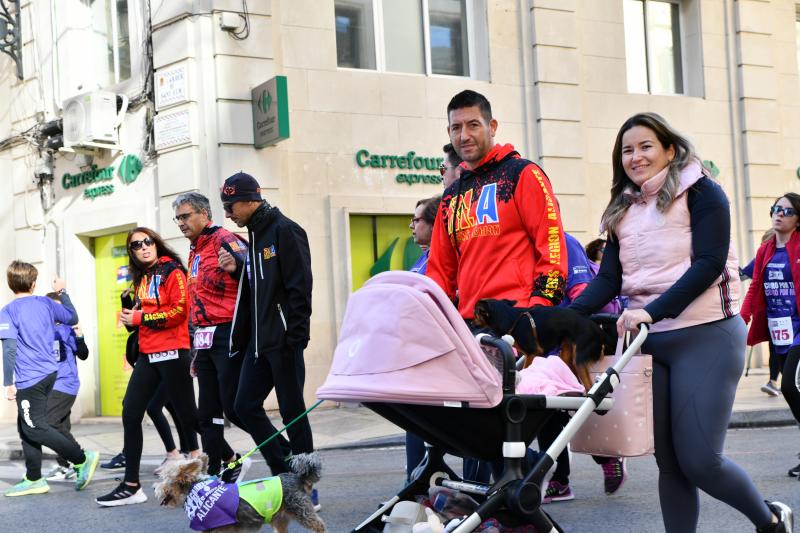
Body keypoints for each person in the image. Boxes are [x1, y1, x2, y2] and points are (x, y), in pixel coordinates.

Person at [570, 112, 792, 532]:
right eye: (627, 150)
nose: (635, 157)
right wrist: (562, 317)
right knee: (669, 465)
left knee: (700, 461)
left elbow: (709, 263)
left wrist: (652, 311)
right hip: (649, 344)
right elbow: (608, 281)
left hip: (706, 335)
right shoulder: (622, 209)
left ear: (670, 150)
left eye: (645, 146)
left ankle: (771, 521)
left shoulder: (704, 192)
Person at [427, 89, 568, 321]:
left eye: (473, 125)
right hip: (469, 324)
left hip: (518, 321)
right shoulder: (450, 196)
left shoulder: (523, 174)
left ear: (492, 126)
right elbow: (440, 271)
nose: (464, 136)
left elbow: (552, 248)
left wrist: (538, 311)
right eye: (456, 128)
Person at [219, 172, 317, 506]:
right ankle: (285, 469)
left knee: (292, 412)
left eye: (230, 206)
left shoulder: (284, 230)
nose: (228, 213)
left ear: (249, 200)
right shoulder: (254, 236)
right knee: (242, 406)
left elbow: (300, 287)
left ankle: (305, 487)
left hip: (284, 341)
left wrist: (296, 336)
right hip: (258, 344)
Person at [96, 228, 201, 507]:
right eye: (136, 245)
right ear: (131, 252)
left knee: (189, 417)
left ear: (157, 243)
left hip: (172, 352)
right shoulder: (141, 278)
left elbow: (180, 311)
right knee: (131, 412)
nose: (143, 247)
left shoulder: (173, 272)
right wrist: (132, 317)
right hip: (148, 354)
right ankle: (131, 485)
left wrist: (141, 317)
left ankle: (229, 459)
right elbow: (143, 316)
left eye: (147, 242)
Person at [538, 233, 627, 503]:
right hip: (543, 343)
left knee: (580, 405)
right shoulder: (520, 245)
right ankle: (559, 480)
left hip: (570, 339)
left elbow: (582, 288)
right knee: (547, 412)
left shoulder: (564, 243)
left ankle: (607, 455)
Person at [0, 262, 99, 496]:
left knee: (35, 427)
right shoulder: (45, 302)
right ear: (34, 284)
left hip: (30, 379)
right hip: (49, 375)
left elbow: (9, 349)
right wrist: (63, 292)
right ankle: (34, 477)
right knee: (26, 426)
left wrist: (8, 382)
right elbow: (72, 316)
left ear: (9, 283)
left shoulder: (8, 311)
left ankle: (81, 458)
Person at [173, 191, 251, 483]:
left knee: (236, 408)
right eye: (177, 218)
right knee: (207, 414)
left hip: (228, 331)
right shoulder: (195, 248)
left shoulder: (224, 239)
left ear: (204, 214)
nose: (180, 223)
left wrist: (238, 267)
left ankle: (284, 456)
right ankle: (216, 475)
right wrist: (196, 345)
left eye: (185, 216)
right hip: (204, 339)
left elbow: (255, 275)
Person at [741, 193, 800, 476]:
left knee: (788, 385)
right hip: (779, 327)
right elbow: (754, 286)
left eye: (787, 211)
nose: (779, 214)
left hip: (799, 326)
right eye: (775, 209)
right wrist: (743, 317)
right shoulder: (766, 249)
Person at [44, 292, 89, 481]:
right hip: (49, 385)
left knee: (49, 421)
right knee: (61, 425)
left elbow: (83, 354)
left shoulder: (66, 329)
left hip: (66, 383)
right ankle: (65, 466)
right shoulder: (42, 330)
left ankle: (82, 458)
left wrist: (79, 338)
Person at [739, 228, 783, 397]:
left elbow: (742, 275)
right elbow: (745, 277)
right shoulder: (763, 255)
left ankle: (774, 382)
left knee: (776, 348)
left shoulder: (763, 256)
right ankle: (775, 382)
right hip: (777, 312)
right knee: (781, 348)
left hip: (772, 312)